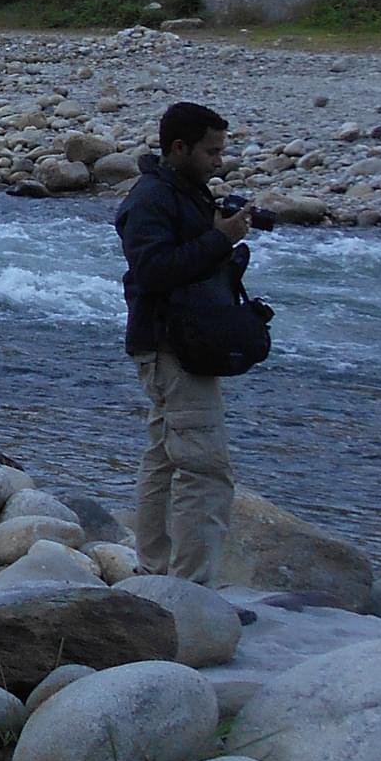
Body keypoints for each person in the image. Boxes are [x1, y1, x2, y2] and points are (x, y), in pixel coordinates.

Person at [115, 99, 251, 584]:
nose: (219, 161)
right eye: (211, 151)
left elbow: (186, 259)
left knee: (165, 459)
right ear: (179, 147)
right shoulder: (151, 199)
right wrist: (218, 240)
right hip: (171, 347)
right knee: (204, 470)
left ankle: (153, 573)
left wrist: (225, 238)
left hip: (177, 344)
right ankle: (192, 590)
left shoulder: (185, 190)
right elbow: (151, 270)